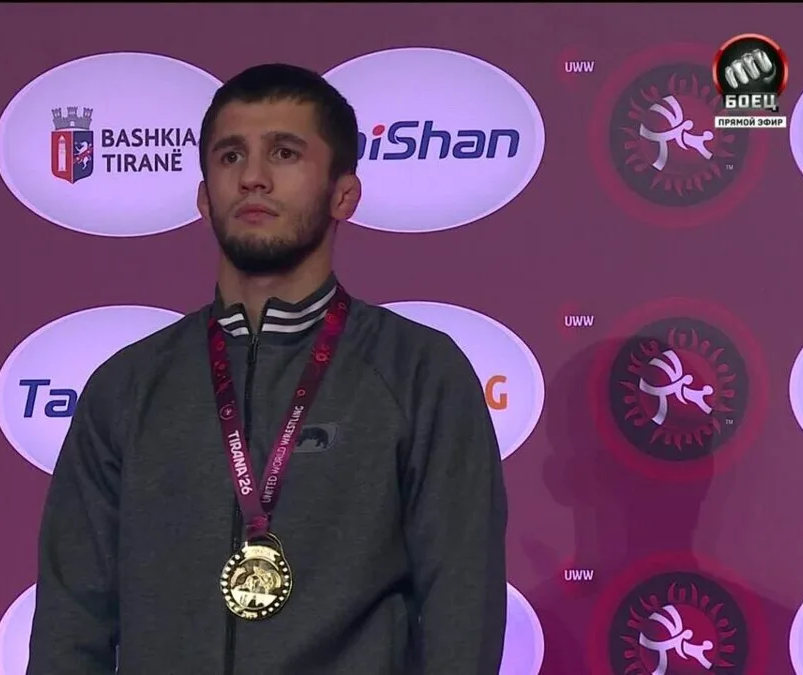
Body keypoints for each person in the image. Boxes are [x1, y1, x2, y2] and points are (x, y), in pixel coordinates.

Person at [27, 62, 508, 675]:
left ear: (343, 194)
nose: (252, 177)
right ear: (204, 196)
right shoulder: (127, 386)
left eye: (284, 153)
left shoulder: (419, 372)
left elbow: (461, 611)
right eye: (230, 157)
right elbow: (72, 619)